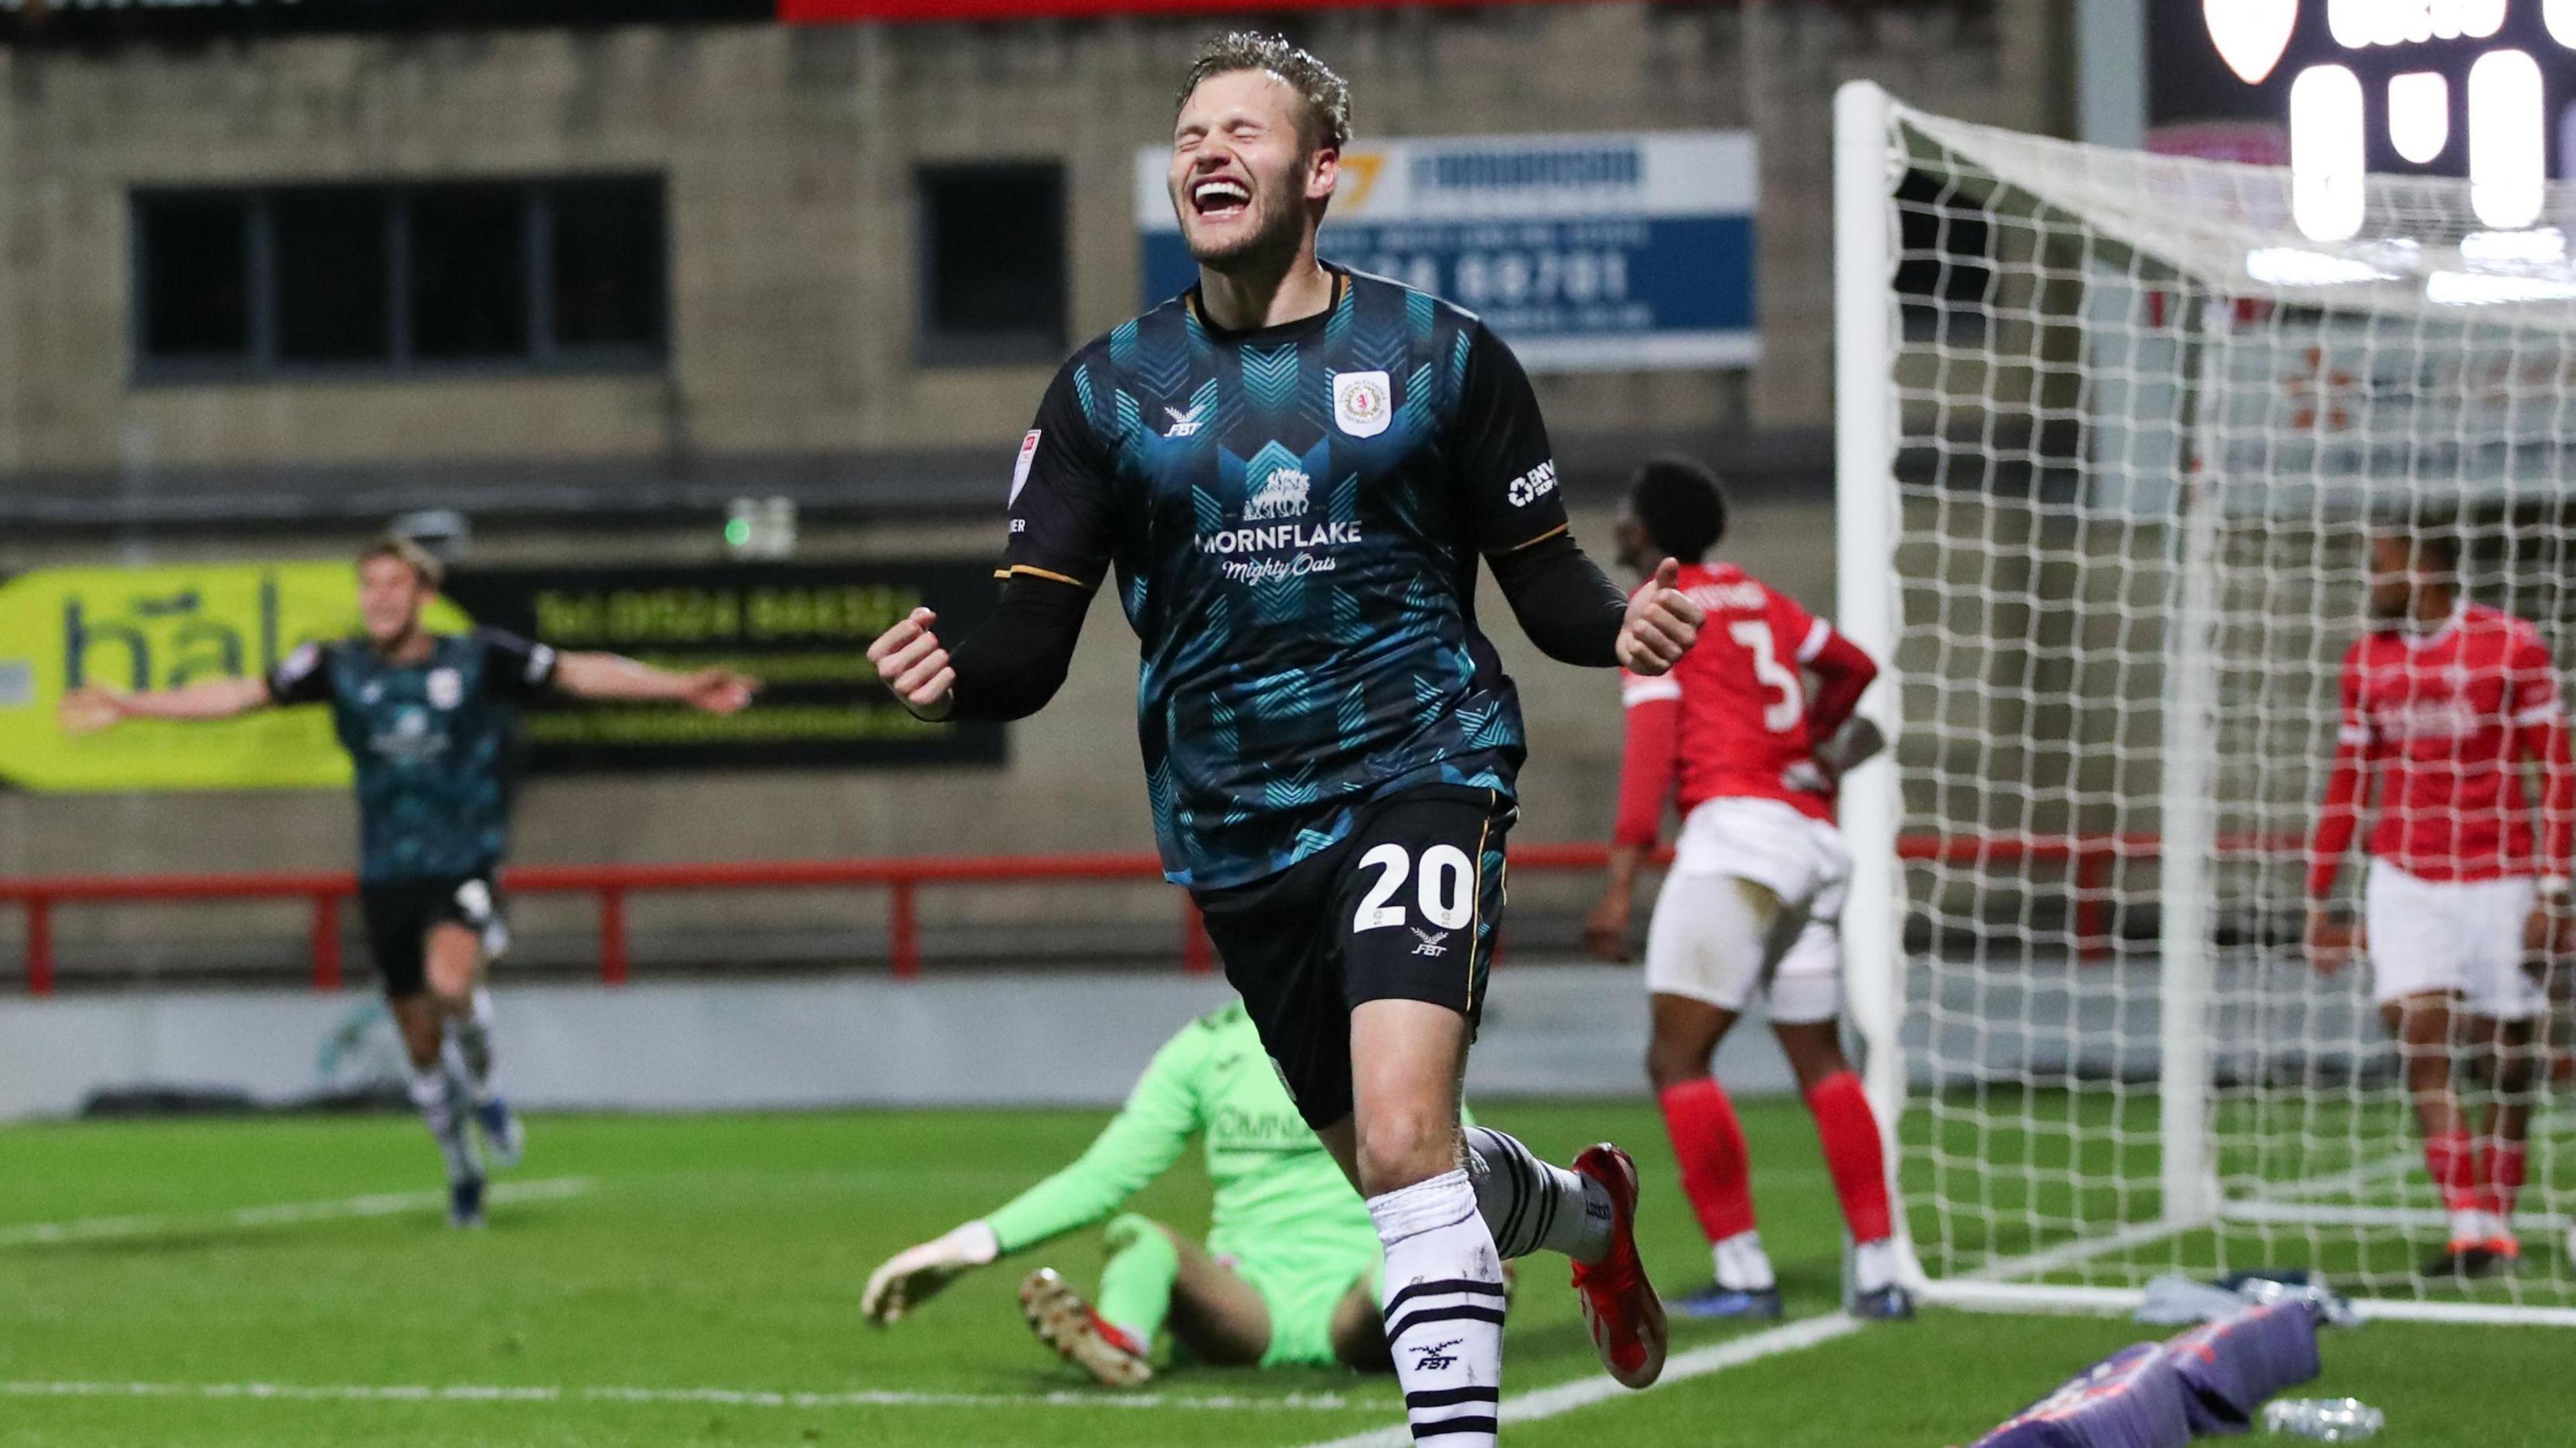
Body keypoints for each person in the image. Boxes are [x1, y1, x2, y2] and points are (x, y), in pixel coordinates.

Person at [866, 33, 1701, 1442]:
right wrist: (958, 674)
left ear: (1324, 171)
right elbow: (1028, 632)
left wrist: (1616, 622)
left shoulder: (1439, 357)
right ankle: (1585, 1210)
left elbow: (1545, 576)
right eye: (1190, 133)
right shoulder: (1107, 391)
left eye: (1242, 130)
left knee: (1398, 1134)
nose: (1207, 150)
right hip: (1237, 821)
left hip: (1420, 770)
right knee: (1393, 1160)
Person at [60, 534, 756, 1227]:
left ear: (423, 596)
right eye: (371, 586)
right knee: (420, 1040)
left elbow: (580, 671)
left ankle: (484, 1085)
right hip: (387, 872)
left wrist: (681, 685)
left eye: (396, 585)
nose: (381, 599)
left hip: (465, 859)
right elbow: (241, 693)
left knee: (452, 982)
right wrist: (132, 704)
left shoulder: (479, 656)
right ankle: (462, 1168)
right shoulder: (335, 665)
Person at [1581, 459, 1912, 1321]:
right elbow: (1852, 664)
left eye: (1625, 510)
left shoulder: (1660, 611)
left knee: (1677, 1058)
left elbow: (1651, 753)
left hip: (1736, 840)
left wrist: (1620, 883)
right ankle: (1880, 1270)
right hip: (1808, 840)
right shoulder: (1761, 597)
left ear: (1647, 531)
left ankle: (1742, 1271)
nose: (1618, 521)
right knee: (1821, 1059)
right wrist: (1818, 743)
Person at [863, 1002, 1523, 1386]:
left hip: (1364, 1287)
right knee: (1138, 1237)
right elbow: (1105, 1174)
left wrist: (1484, 1248)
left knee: (1440, 1247)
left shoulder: (1391, 1036)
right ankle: (1119, 1340)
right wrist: (969, 1245)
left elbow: (1454, 1164)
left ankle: (1448, 1319)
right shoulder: (1208, 1047)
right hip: (1246, 1302)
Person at [2304, 526, 2571, 1277]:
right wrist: (2319, 891)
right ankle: (2469, 1226)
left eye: (2379, 568)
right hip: (2407, 875)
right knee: (2420, 1035)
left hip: (2499, 873)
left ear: (2424, 569)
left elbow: (2555, 768)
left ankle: (2499, 1210)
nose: (2370, 581)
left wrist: (2554, 884)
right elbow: (2350, 778)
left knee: (2507, 1057)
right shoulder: (2366, 661)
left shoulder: (2511, 646)